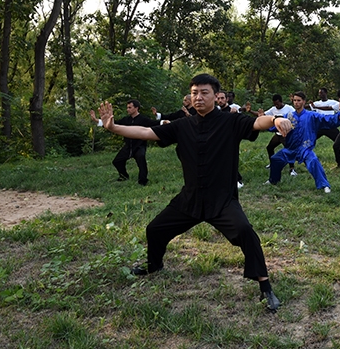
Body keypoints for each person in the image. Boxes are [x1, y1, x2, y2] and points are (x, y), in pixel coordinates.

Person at [94, 74, 290, 311]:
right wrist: (113, 127)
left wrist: (277, 119)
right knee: (154, 229)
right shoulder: (182, 125)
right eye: (194, 93)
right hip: (190, 199)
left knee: (246, 232)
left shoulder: (231, 121)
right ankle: (153, 265)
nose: (198, 97)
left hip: (222, 200)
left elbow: (257, 123)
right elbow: (147, 133)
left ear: (216, 97)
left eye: (204, 92)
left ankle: (265, 288)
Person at [267, 91, 340, 193]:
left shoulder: (311, 116)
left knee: (313, 161)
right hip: (290, 148)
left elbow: (325, 118)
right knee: (275, 159)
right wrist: (265, 121)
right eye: (294, 100)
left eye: (298, 100)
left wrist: (338, 116)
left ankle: (324, 185)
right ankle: (273, 180)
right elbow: (275, 125)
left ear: (304, 102)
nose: (296, 103)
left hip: (305, 148)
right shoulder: (288, 116)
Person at [89, 99, 160, 186]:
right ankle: (123, 176)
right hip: (128, 146)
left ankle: (143, 181)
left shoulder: (143, 119)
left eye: (130, 107)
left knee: (141, 161)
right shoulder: (126, 120)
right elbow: (113, 125)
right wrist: (97, 120)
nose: (128, 109)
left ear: (136, 108)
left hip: (139, 146)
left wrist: (164, 122)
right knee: (117, 161)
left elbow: (155, 123)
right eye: (127, 107)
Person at [247, 94, 297, 176]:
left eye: (277, 104)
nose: (276, 106)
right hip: (278, 134)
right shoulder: (273, 109)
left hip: (287, 134)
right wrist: (250, 111)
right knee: (270, 148)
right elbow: (263, 115)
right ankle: (272, 163)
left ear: (281, 102)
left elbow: (295, 118)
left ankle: (292, 169)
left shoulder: (289, 108)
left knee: (289, 150)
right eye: (274, 104)